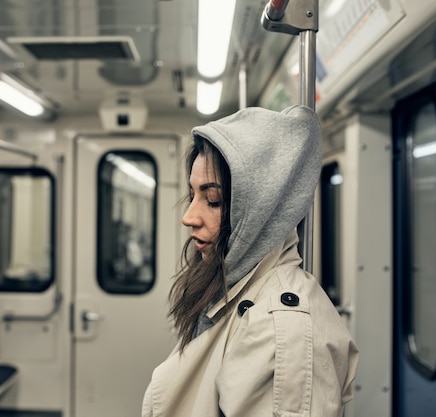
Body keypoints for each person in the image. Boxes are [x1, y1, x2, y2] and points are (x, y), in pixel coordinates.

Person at [141, 105, 358, 417]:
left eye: (212, 201)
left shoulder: (281, 332)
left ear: (258, 213)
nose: (189, 217)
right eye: (193, 196)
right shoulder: (233, 287)